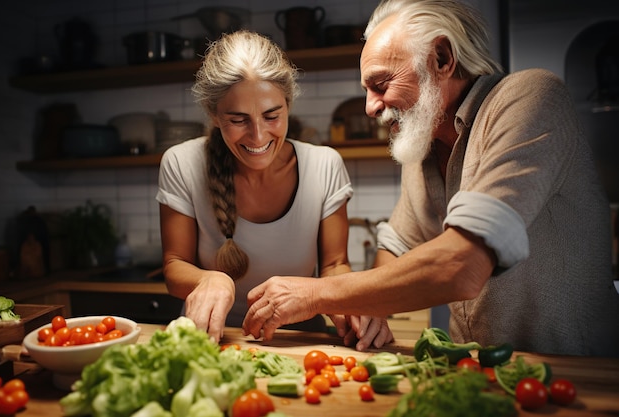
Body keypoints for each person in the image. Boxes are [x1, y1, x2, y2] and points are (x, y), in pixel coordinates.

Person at [242, 0, 619, 357]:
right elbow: (398, 244)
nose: (371, 107)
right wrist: (370, 306)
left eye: (381, 84)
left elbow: (463, 265)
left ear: (441, 58)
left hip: (575, 368)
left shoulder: (530, 97)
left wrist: (317, 294)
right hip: (478, 368)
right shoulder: (426, 141)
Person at [156, 30, 393, 349]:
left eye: (271, 116)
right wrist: (209, 278)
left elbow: (335, 265)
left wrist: (350, 304)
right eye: (238, 119)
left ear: (288, 104)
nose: (257, 136)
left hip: (301, 341)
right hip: (212, 341)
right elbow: (174, 266)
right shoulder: (181, 164)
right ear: (214, 115)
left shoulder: (324, 165)